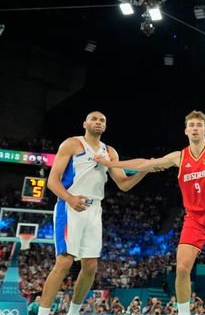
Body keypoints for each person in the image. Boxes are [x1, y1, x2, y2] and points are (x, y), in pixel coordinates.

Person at [94, 110, 205, 315]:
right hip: (195, 219)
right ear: (186, 130)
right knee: (182, 268)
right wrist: (110, 164)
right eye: (191, 125)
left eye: (199, 125)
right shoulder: (178, 157)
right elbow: (145, 163)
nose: (195, 128)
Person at [38, 111, 151, 315]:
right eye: (94, 119)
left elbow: (124, 184)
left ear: (105, 127)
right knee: (64, 261)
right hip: (70, 205)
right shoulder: (72, 144)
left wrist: (144, 170)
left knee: (90, 266)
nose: (98, 122)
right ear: (85, 123)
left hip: (94, 209)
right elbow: (52, 181)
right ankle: (42, 313)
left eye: (102, 120)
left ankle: (74, 312)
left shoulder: (110, 152)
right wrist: (70, 199)